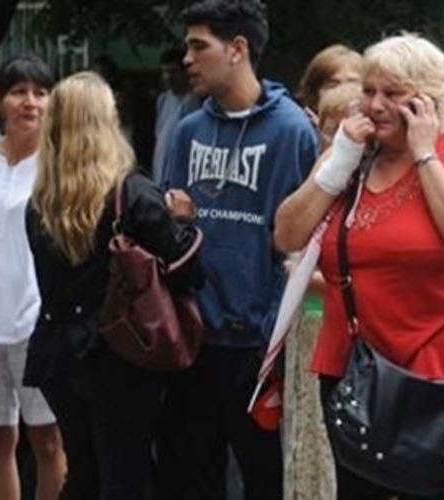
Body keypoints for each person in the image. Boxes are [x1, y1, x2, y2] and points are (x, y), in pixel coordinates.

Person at [274, 32, 444, 500]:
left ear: (428, 101)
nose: (376, 105)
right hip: (353, 362)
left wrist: (424, 154)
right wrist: (336, 163)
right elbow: (287, 234)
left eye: (393, 94)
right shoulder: (353, 158)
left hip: (435, 364)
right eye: (370, 91)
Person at [156, 1, 319, 499]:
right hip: (194, 338)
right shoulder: (188, 130)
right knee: (192, 475)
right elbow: (168, 230)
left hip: (256, 343)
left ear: (238, 49)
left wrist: (270, 332)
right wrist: (175, 219)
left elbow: (300, 242)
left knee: (263, 477)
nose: (187, 58)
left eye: (198, 45)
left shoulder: (291, 131)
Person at [23, 71, 204, 500]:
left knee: (82, 475)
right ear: (107, 122)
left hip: (57, 354)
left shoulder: (41, 201)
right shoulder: (132, 192)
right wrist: (183, 220)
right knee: (124, 479)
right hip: (118, 355)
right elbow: (189, 272)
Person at [0, 54, 66, 500]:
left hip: (35, 322)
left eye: (40, 92)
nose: (30, 103)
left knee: (49, 439)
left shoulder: (56, 166)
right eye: (19, 91)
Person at [283, 80, 362, 500]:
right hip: (310, 326)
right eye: (331, 129)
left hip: (354, 336)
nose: (338, 137)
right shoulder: (321, 180)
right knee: (307, 433)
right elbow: (287, 237)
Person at [152, 45, 201, 184]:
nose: (168, 77)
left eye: (173, 72)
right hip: (160, 171)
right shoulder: (163, 100)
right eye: (165, 72)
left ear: (185, 72)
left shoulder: (193, 101)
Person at [295, 43, 362, 126]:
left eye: (352, 84)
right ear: (314, 95)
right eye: (333, 86)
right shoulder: (302, 133)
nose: (343, 92)